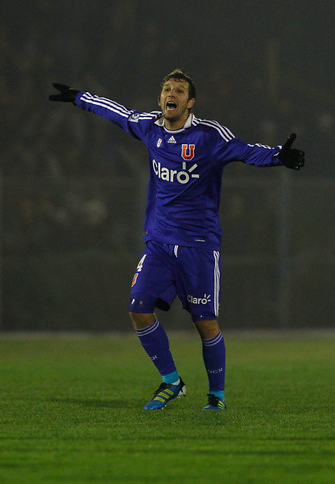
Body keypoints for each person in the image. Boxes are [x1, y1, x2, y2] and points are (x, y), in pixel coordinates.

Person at [49, 70, 304, 411]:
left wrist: (278, 156)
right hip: (159, 243)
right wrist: (80, 98)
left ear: (190, 102)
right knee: (138, 309)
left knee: (204, 322)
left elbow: (243, 150)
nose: (172, 93)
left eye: (179, 90)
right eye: (167, 89)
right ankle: (172, 381)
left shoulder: (208, 135)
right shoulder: (150, 127)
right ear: (160, 99)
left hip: (199, 244)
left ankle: (217, 397)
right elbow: (118, 112)